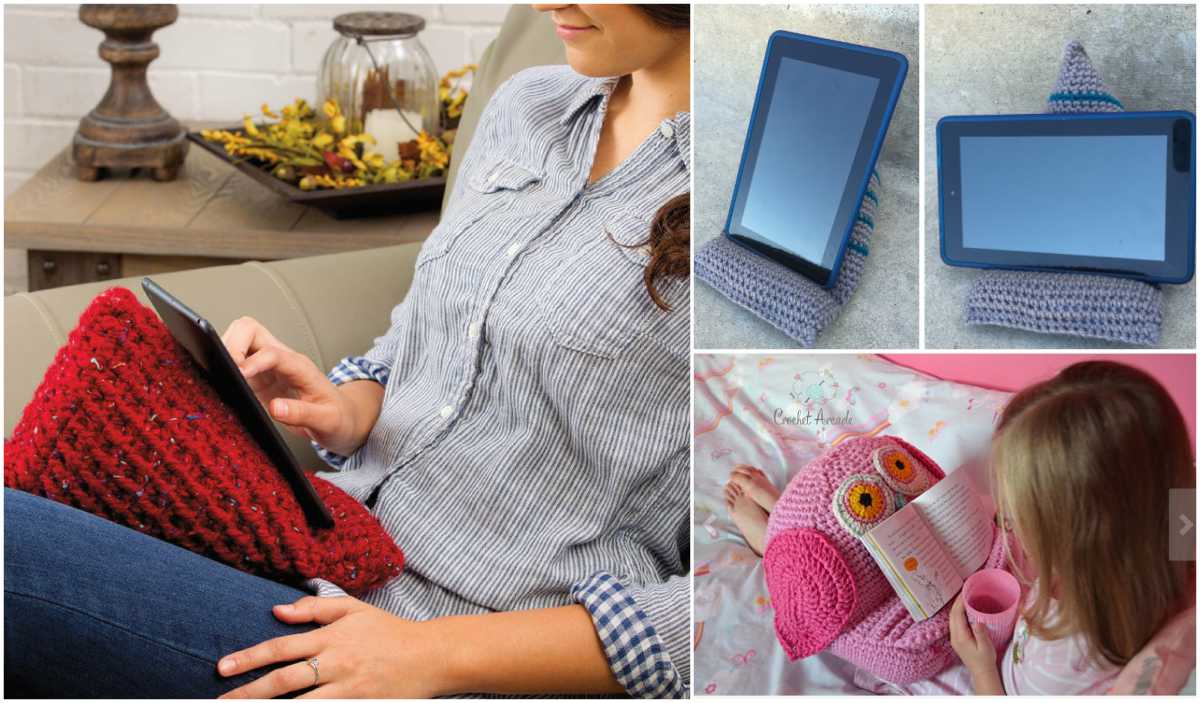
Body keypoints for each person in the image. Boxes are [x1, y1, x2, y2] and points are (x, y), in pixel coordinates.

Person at [5, 4, 691, 697]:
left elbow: (747, 609)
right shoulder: (530, 105)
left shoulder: (757, 222)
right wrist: (346, 408)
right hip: (316, 546)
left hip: (438, 649)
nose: (546, 4)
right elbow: (426, 335)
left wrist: (428, 655)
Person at [723, 361, 1194, 695]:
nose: (1006, 517)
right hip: (1022, 590)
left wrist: (980, 667)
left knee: (846, 611)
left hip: (991, 668)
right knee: (900, 532)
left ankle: (771, 544)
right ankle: (788, 511)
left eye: (1018, 515)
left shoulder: (1065, 658)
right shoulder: (1176, 519)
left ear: (1075, 538)